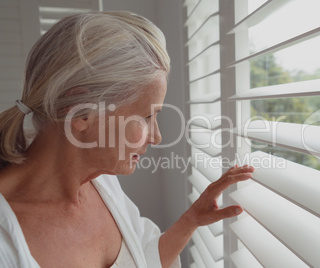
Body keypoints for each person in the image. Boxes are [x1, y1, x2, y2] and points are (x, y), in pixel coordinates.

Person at [0, 11, 254, 267]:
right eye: (146, 116)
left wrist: (192, 220)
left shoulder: (102, 183)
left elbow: (141, 259)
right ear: (81, 111)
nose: (157, 137)